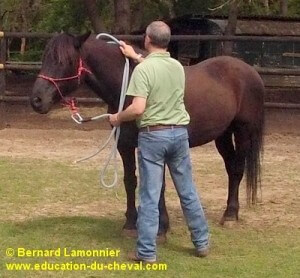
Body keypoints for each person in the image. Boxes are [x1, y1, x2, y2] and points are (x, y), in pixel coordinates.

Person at [109, 21, 209, 263]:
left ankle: (145, 251)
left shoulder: (143, 72)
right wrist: (135, 57)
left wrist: (117, 118)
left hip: (153, 136)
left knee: (150, 196)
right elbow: (156, 69)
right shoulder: (176, 66)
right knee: (187, 191)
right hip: (179, 135)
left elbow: (138, 108)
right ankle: (202, 242)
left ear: (147, 39)